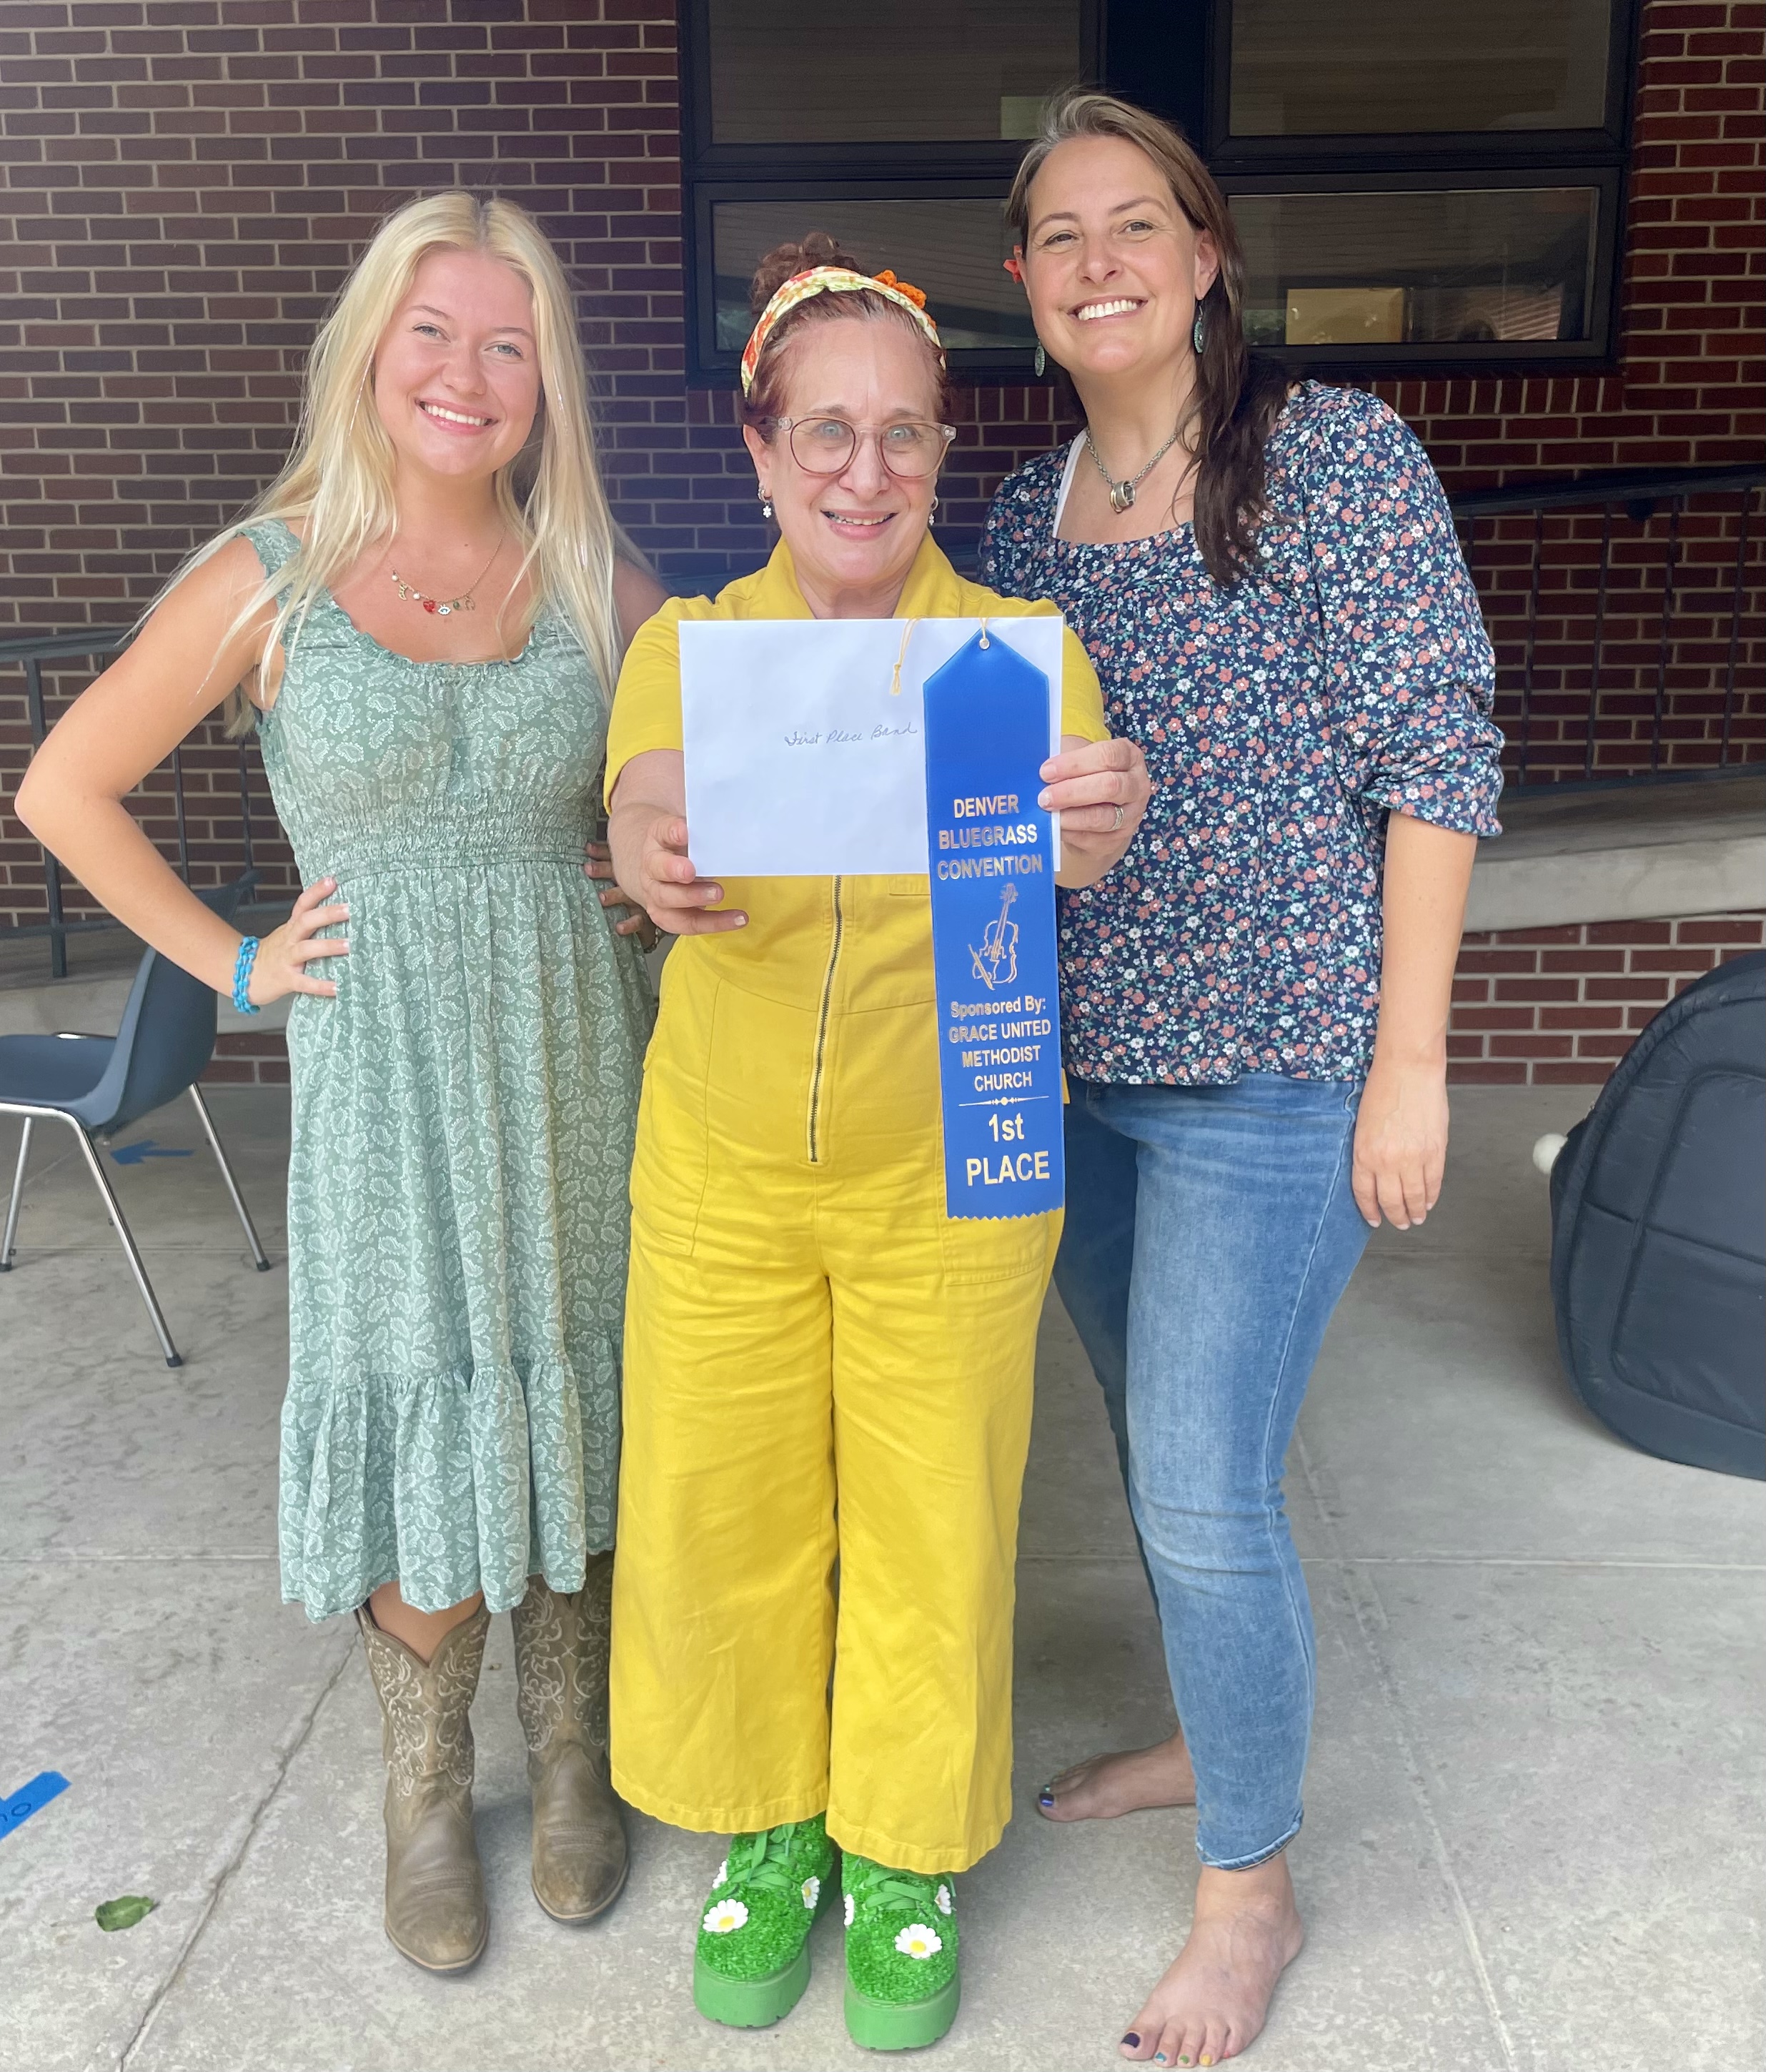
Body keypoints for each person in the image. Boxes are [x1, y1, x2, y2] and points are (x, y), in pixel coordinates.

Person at [17, 192, 664, 1975]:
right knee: (421, 1401)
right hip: (386, 1074)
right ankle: (426, 1789)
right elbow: (65, 790)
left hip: (578, 1055)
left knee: (581, 1394)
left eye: (509, 342)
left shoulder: (601, 577)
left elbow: (707, 795)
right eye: (434, 331)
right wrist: (231, 963)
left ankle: (579, 1753)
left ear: (549, 380)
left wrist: (644, 855)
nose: (469, 373)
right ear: (372, 349)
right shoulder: (272, 572)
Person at [983, 92, 1504, 2069]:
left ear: (1208, 258)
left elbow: (1437, 760)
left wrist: (1413, 1068)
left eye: (1141, 224)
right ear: (1024, 289)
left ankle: (1249, 1887)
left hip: (1279, 1072)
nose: (1102, 259)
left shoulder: (1336, 462)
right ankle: (1218, 1727)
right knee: (1157, 1451)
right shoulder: (1026, 523)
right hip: (1075, 1067)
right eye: (1062, 235)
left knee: (1203, 1485)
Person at [604, 233, 1150, 2052]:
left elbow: (1080, 840)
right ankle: (771, 1828)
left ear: (939, 453)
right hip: (725, 1172)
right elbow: (639, 797)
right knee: (731, 1508)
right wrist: (645, 843)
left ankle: (906, 1849)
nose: (864, 472)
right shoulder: (687, 651)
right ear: (758, 454)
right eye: (824, 433)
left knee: (933, 1515)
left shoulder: (1020, 659)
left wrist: (1102, 812)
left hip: (956, 1168)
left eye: (903, 436)